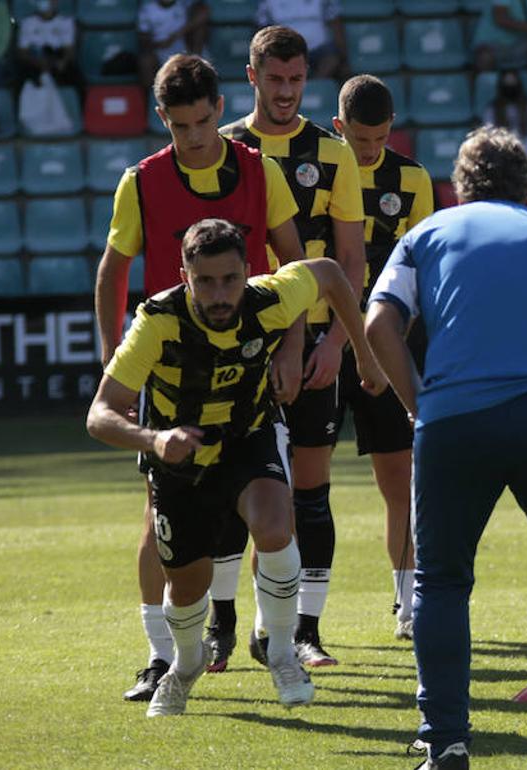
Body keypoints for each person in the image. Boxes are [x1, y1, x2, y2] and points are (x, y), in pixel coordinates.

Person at [365, 127, 527, 770]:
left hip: (454, 417)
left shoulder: (424, 235)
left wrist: (418, 405)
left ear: (456, 188)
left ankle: (446, 741)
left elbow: (377, 324)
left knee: (441, 583)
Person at [86, 218, 385, 717]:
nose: (220, 293)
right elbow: (99, 414)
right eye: (205, 281)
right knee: (187, 585)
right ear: (185, 277)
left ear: (249, 271)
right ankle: (184, 665)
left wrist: (363, 356)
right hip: (179, 459)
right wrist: (154, 439)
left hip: (247, 436)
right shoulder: (157, 321)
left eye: (230, 279)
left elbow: (331, 273)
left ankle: (283, 651)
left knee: (274, 524)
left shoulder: (271, 297)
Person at [95, 53, 308, 703]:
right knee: (155, 520)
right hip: (169, 374)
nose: (190, 137)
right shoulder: (142, 181)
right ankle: (161, 658)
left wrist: (293, 349)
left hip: (245, 363)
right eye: (176, 124)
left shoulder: (260, 170)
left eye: (199, 121)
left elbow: (297, 263)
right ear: (162, 118)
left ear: (220, 109)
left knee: (268, 514)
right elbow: (112, 275)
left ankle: (278, 643)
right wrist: (116, 366)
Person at [214, 25, 366, 672]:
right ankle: (223, 627)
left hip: (312, 351)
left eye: (296, 80)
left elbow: (351, 261)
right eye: (274, 80)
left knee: (311, 488)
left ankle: (304, 630)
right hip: (239, 346)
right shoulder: (224, 151)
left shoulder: (334, 154)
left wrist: (335, 341)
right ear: (251, 77)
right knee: (225, 489)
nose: (285, 92)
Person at [331, 73, 434, 641]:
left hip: (388, 344)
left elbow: (419, 274)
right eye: (359, 139)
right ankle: (296, 616)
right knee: (303, 480)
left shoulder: (413, 180)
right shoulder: (319, 166)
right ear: (338, 126)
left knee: (400, 479)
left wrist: (386, 347)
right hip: (326, 341)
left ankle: (408, 602)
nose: (369, 150)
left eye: (379, 138)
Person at [256, 0, 344, 79]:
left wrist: (343, 56)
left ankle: (313, 88)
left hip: (320, 49)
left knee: (332, 59)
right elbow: (262, 28)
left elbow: (335, 21)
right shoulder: (268, 2)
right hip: (285, 49)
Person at [15, 0, 83, 99]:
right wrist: (37, 62)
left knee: (76, 79)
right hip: (34, 61)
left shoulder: (66, 21)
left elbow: (69, 50)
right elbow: (22, 52)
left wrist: (63, 61)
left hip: (57, 59)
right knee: (20, 80)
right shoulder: (27, 23)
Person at [471, 0, 527, 73]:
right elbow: (500, 18)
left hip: (520, 45)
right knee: (485, 57)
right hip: (492, 45)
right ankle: (486, 86)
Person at [137, 0, 209, 89]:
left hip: (185, 49)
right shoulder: (147, 9)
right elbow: (143, 39)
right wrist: (159, 44)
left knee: (199, 30)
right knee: (145, 61)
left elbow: (204, 12)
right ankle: (152, 97)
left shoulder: (184, 4)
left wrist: (176, 35)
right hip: (159, 50)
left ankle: (198, 71)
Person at [480, 68, 527, 157]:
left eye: (512, 83)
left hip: (525, 156)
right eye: (507, 84)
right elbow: (490, 138)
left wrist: (521, 154)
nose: (510, 87)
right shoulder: (491, 110)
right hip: (500, 157)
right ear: (501, 86)